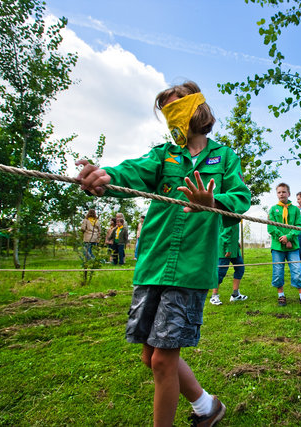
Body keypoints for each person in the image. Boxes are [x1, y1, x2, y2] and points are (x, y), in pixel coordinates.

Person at [76, 81, 250, 427]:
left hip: (190, 268)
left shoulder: (225, 157)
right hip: (153, 264)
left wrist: (213, 202)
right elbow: (131, 172)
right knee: (148, 355)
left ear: (198, 108)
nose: (172, 116)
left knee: (162, 361)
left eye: (177, 106)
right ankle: (207, 407)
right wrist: (105, 176)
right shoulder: (163, 155)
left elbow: (241, 199)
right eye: (166, 110)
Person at [268, 183, 301, 308]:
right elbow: (271, 227)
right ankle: (281, 296)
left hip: (293, 246)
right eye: (279, 192)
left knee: (297, 270)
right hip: (277, 246)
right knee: (278, 271)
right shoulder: (273, 209)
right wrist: (283, 239)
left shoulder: (295, 210)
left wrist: (289, 237)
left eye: (284, 192)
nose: (281, 194)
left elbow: (299, 226)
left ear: (288, 193)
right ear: (276, 194)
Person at [209, 222, 248, 305]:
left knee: (240, 268)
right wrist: (228, 247)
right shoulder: (228, 213)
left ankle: (235, 294)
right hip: (225, 249)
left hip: (234, 248)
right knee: (220, 272)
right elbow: (225, 234)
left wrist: (235, 242)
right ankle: (214, 296)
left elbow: (232, 231)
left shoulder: (235, 215)